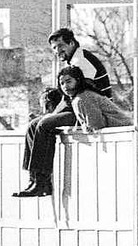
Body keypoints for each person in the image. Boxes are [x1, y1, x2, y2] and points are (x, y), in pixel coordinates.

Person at [13, 28, 112, 198]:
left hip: (91, 109)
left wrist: (51, 114)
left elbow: (77, 94)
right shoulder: (72, 61)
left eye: (60, 46)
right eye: (54, 48)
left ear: (72, 43)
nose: (57, 51)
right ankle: (34, 178)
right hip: (79, 106)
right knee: (32, 125)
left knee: (44, 124)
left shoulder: (81, 61)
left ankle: (43, 182)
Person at [57, 65, 131, 131]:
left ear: (78, 80)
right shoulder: (79, 97)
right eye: (62, 83)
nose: (65, 86)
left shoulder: (84, 97)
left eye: (68, 81)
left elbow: (95, 125)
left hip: (123, 132)